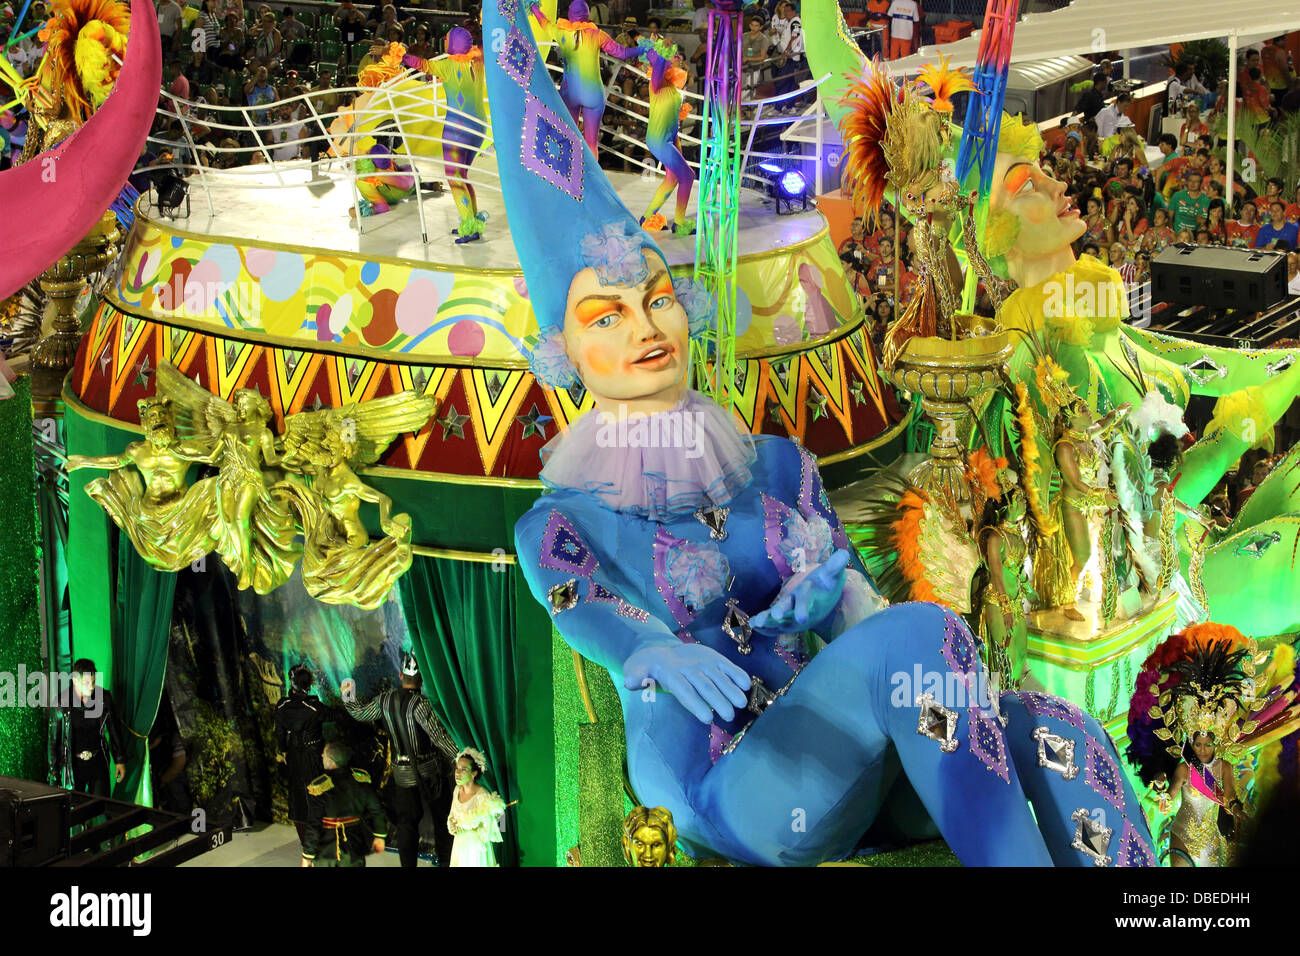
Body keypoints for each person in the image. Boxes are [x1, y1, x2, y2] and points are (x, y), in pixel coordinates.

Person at [489, 13, 1156, 867]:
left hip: (834, 752)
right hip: (725, 785)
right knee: (919, 641)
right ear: (564, 350)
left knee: (1051, 722)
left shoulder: (774, 466)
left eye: (656, 298)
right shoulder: (561, 521)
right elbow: (583, 612)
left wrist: (833, 600)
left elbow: (862, 617)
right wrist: (650, 648)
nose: (645, 327)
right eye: (605, 315)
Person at [346, 653, 458, 867]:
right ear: (422, 679)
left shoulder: (384, 699)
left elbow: (359, 713)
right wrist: (462, 757)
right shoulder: (422, 704)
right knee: (442, 822)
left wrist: (348, 692)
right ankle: (445, 863)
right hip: (430, 772)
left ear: (400, 675)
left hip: (401, 773)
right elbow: (439, 737)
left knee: (406, 825)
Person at [402, 27, 490, 242]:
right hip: (478, 128)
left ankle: (469, 227)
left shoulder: (447, 66)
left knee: (454, 178)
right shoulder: (478, 60)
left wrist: (399, 54)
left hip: (457, 130)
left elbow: (419, 64)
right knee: (463, 176)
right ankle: (471, 220)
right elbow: (483, 46)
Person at [528, 0, 647, 154]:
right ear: (587, 14)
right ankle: (590, 175)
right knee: (592, 143)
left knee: (569, 136)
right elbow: (622, 53)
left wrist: (533, 7)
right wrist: (643, 49)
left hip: (570, 93)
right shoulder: (598, 35)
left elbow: (544, 23)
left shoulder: (561, 32)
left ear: (570, 14)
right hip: (594, 93)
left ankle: (569, 173)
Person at [301, 742, 388, 867]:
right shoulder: (361, 780)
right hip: (355, 844)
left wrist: (307, 855)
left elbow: (314, 825)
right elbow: (377, 810)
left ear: (331, 761)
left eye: (324, 755)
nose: (321, 756)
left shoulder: (320, 787)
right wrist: (380, 835)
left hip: (327, 849)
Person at [57, 659, 126, 797]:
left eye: (93, 682)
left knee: (101, 807)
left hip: (98, 761)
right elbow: (55, 737)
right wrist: (54, 770)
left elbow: (114, 729)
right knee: (76, 811)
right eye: (87, 683)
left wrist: (120, 760)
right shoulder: (62, 701)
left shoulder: (104, 698)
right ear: (75, 681)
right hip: (73, 765)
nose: (91, 687)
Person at [275, 664, 326, 848]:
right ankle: (319, 842)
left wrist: (284, 752)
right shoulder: (314, 708)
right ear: (309, 684)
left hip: (295, 757)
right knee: (317, 796)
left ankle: (307, 844)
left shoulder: (282, 705)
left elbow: (280, 734)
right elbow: (336, 715)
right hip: (313, 756)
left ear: (292, 682)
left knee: (298, 800)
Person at [447, 747, 507, 866]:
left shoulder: (483, 795)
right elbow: (452, 815)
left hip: (475, 849)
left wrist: (473, 825)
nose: (458, 773)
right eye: (457, 768)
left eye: (463, 769)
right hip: (459, 846)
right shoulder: (457, 790)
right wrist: (452, 825)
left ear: (473, 773)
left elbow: (501, 825)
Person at [1169, 169, 1210, 234]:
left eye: (1196, 181)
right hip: (1177, 234)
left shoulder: (1206, 200)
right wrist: (1172, 232)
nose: (1192, 183)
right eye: (1190, 181)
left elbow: (1203, 221)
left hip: (1195, 235)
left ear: (1201, 183)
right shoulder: (1177, 196)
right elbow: (1170, 216)